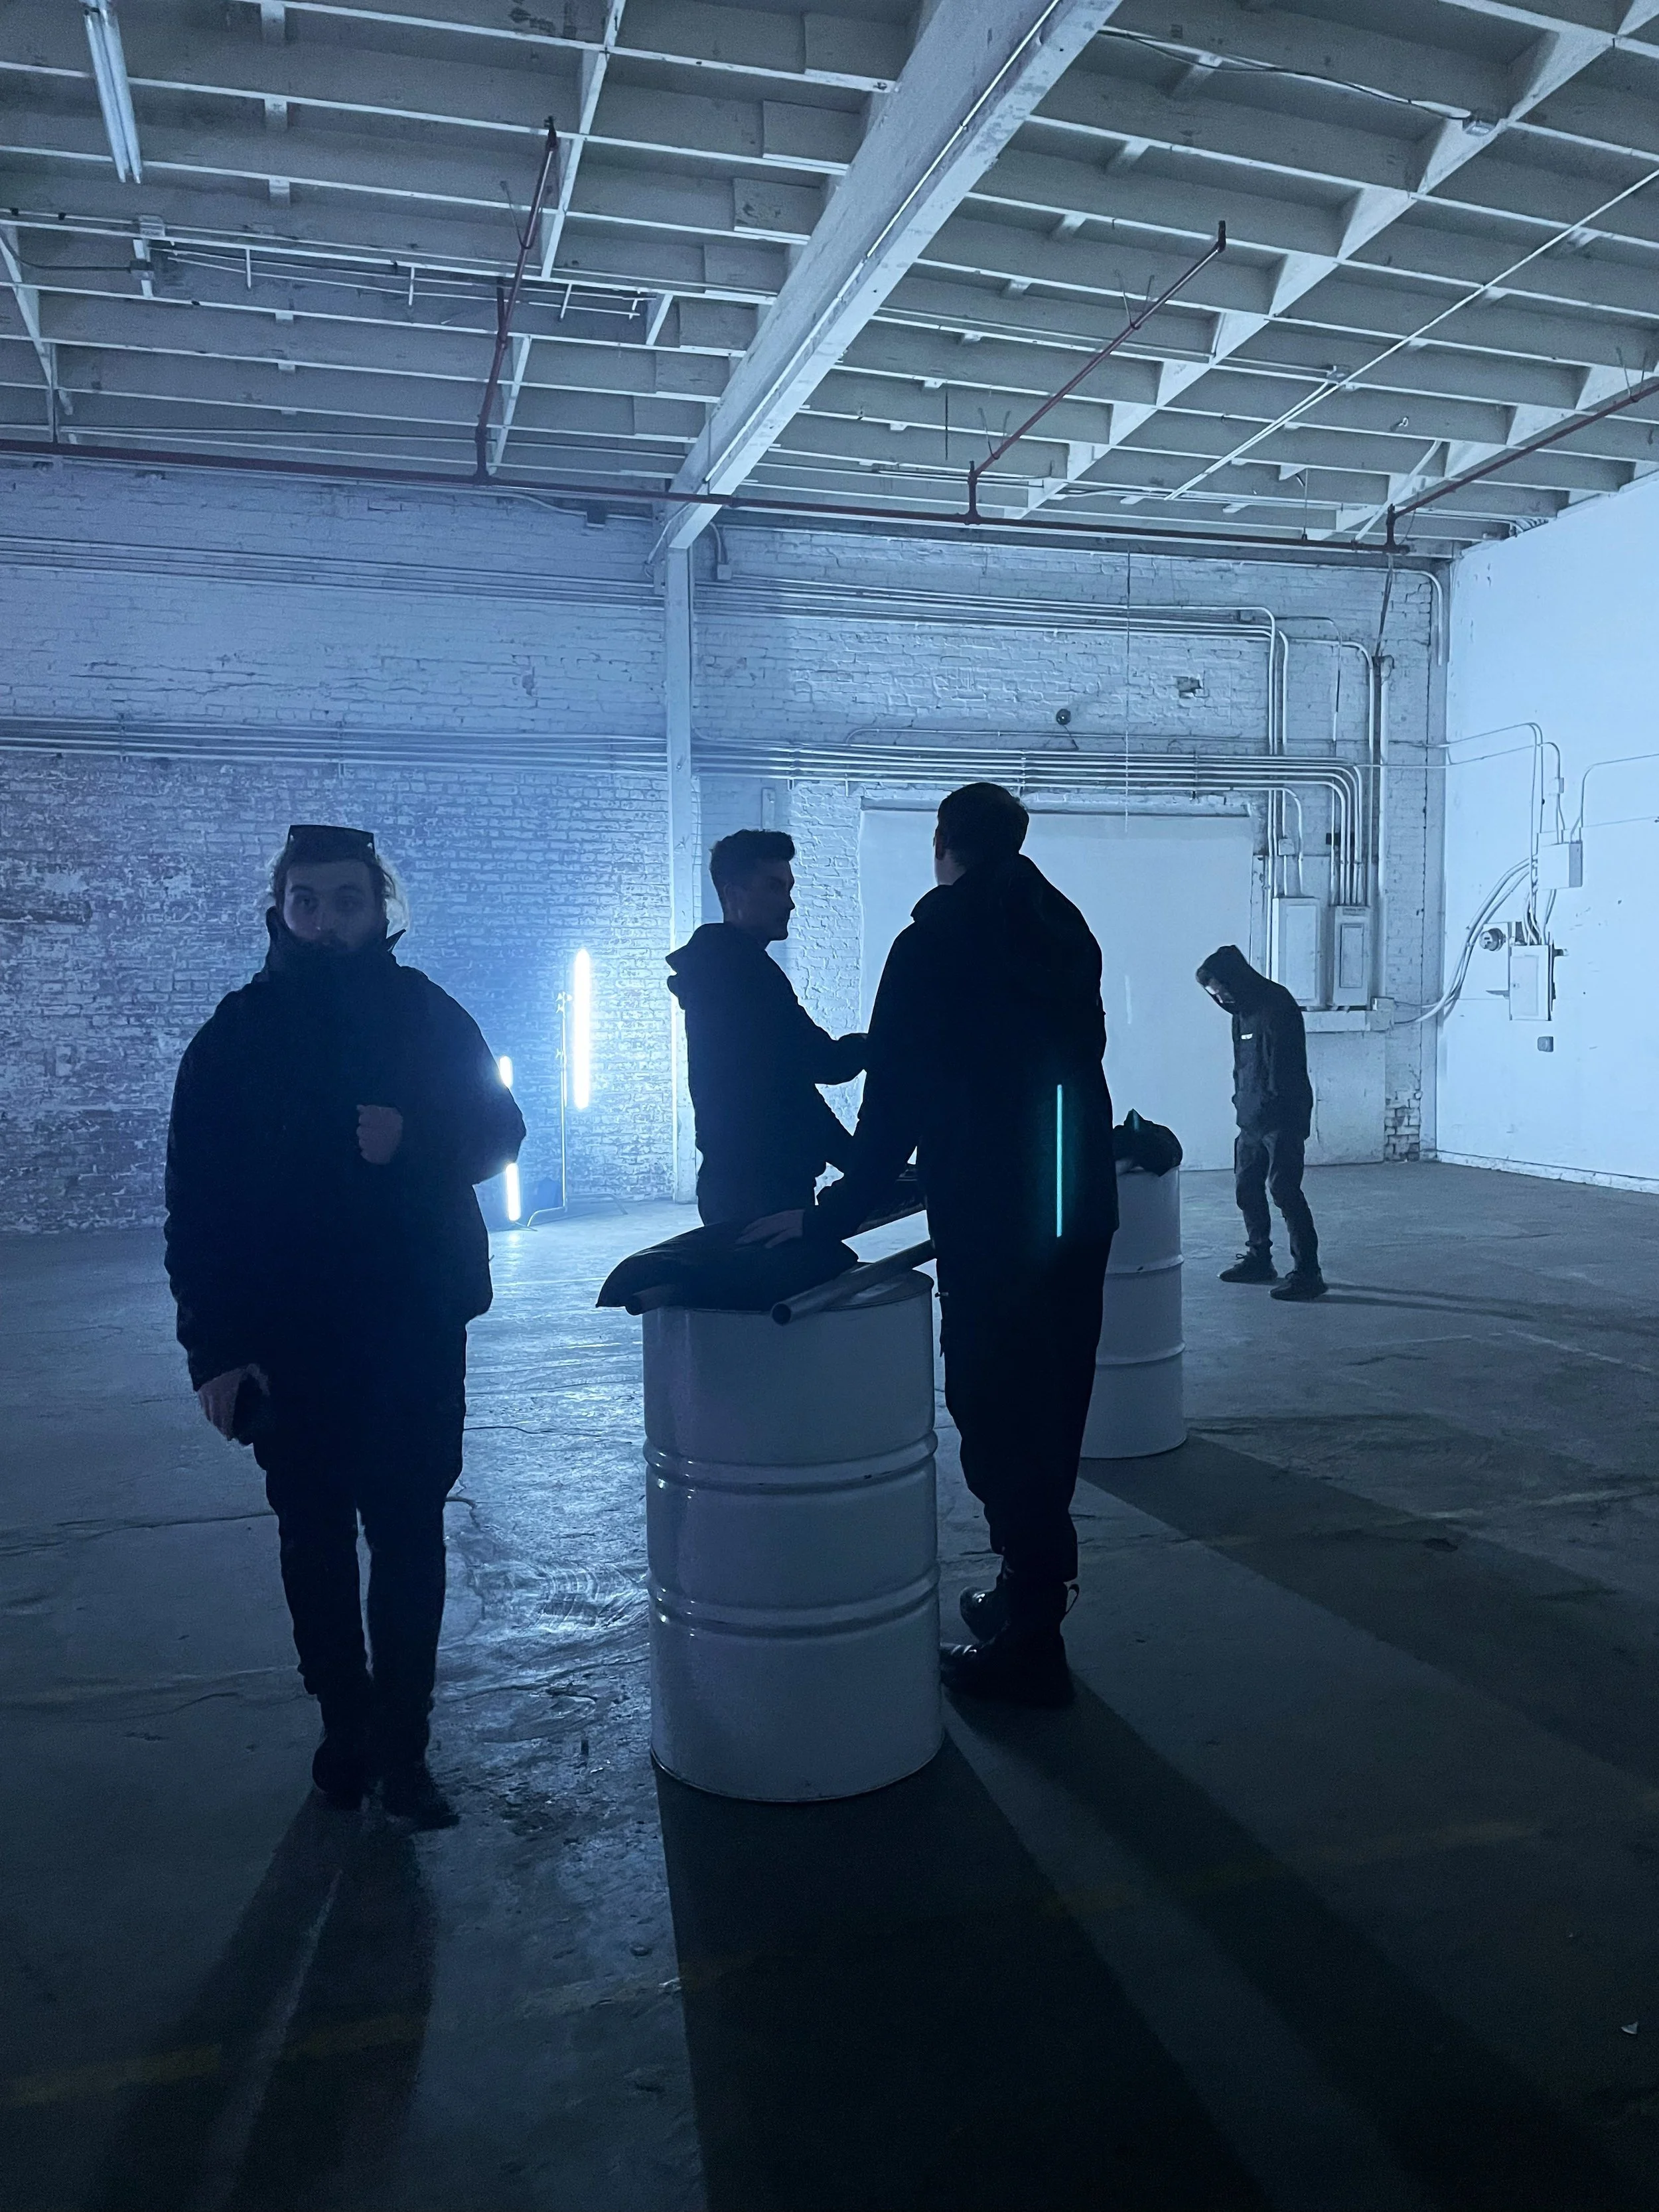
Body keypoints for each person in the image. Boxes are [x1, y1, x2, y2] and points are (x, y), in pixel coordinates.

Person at [165, 824, 525, 1827]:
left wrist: (417, 1142)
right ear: (281, 908)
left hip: (410, 1330)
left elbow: (503, 1131)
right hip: (289, 1344)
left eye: (348, 902)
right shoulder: (235, 1038)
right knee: (313, 1541)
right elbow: (196, 1208)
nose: (327, 922)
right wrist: (213, 1350)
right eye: (308, 902)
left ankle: (404, 1749)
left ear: (380, 909)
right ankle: (345, 1728)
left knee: (408, 1535)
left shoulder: (427, 1017)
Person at [746, 784, 1116, 1708]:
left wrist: (834, 1213)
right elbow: (1081, 1056)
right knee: (1054, 1402)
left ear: (942, 842)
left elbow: (894, 1102)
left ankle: (1033, 1646)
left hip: (997, 1216)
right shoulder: (1066, 929)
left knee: (994, 1406)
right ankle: (1032, 1596)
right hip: (1075, 1199)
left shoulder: (934, 941)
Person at [666, 829, 866, 1228]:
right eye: (774, 888)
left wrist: (860, 1162)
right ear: (734, 893)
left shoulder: (722, 968)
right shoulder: (745, 973)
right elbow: (821, 1063)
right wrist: (882, 1042)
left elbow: (786, 1083)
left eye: (789, 888)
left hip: (743, 1183)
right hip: (760, 1189)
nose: (789, 903)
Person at [1196, 943, 1326, 1301]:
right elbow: (1244, 1066)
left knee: (1285, 1191)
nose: (1220, 999)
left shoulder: (1276, 1005)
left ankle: (1308, 1273)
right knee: (1246, 1188)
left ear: (1236, 980)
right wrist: (1242, 1105)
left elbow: (1283, 1071)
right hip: (1251, 1120)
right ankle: (1259, 1258)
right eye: (1215, 995)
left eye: (1222, 990)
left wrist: (1273, 1111)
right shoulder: (1241, 1013)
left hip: (1281, 1119)